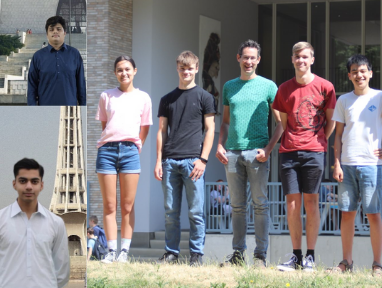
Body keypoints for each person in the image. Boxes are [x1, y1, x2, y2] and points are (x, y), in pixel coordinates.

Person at [331, 54, 382, 274]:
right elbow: (338, 135)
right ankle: (346, 262)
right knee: (347, 213)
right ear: (349, 75)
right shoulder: (343, 100)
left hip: (372, 165)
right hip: (347, 164)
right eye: (354, 71)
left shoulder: (380, 97)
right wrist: (336, 164)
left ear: (370, 73)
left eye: (363, 71)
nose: (359, 75)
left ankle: (377, 264)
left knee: (374, 214)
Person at [215, 39, 280, 268]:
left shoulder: (269, 86)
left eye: (253, 57)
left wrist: (269, 150)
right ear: (238, 58)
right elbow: (224, 122)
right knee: (237, 206)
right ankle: (238, 255)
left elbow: (281, 124)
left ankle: (260, 256)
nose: (249, 61)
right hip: (232, 153)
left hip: (257, 154)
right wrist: (220, 145)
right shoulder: (229, 87)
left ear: (258, 60)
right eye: (245, 57)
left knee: (260, 204)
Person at [273, 42, 336, 272]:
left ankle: (310, 256)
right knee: (292, 204)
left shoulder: (325, 86)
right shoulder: (284, 89)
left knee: (311, 202)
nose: (301, 61)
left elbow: (330, 122)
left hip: (314, 152)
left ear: (312, 59)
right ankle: (296, 256)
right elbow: (281, 118)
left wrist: (318, 141)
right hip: (288, 152)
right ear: (292, 60)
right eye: (297, 57)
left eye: (305, 57)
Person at [155, 50, 216, 266]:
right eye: (182, 68)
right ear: (177, 69)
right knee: (171, 212)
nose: (186, 72)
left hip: (194, 161)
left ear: (196, 69)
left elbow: (210, 129)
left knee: (196, 211)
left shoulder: (205, 97)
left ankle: (196, 255)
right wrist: (158, 161)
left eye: (190, 68)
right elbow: (162, 132)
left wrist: (204, 159)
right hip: (170, 161)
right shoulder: (166, 99)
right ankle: (171, 253)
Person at [95, 55, 152, 264]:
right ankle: (111, 250)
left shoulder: (143, 98)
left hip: (130, 152)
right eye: (119, 70)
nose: (124, 73)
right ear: (115, 73)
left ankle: (124, 252)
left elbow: (145, 128)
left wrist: (136, 147)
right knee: (109, 205)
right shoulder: (106, 96)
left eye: (127, 69)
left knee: (127, 205)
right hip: (107, 152)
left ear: (135, 71)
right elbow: (105, 126)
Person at [0, 158, 70, 288]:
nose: (29, 186)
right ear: (14, 184)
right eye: (23, 181)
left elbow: (62, 270)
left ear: (41, 185)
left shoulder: (56, 223)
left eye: (34, 181)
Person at [26, 16, 85, 106]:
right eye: (51, 29)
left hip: (69, 112)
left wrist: (83, 109)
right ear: (47, 34)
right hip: (45, 110)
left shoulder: (74, 54)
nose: (55, 31)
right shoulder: (38, 56)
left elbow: (81, 85)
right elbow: (32, 87)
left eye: (58, 29)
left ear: (64, 33)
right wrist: (33, 110)